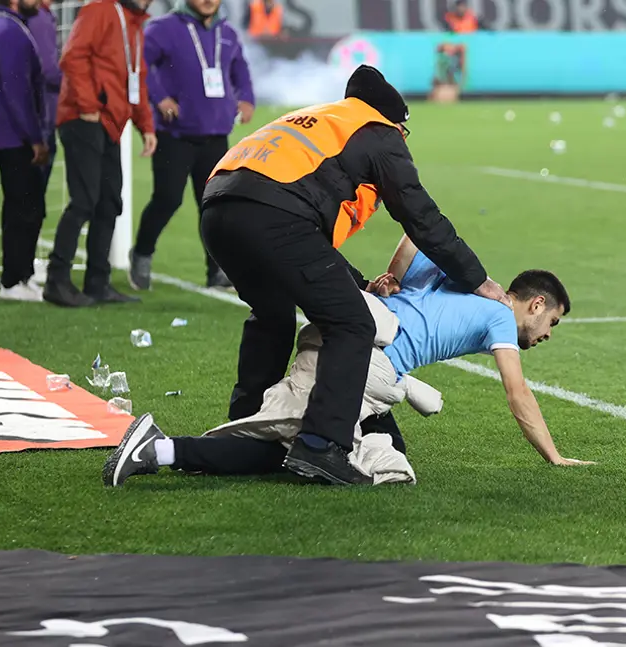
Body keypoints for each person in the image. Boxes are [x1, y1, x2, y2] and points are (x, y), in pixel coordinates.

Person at [198, 64, 509, 486]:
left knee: (271, 314)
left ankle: (250, 421)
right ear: (396, 122)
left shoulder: (323, 119)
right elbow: (420, 216)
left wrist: (359, 281)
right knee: (353, 324)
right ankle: (322, 445)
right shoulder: (379, 131)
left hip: (218, 209)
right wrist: (478, 279)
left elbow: (307, 238)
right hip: (273, 216)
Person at [103, 235, 594, 488]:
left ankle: (195, 451)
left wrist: (391, 278)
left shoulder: (468, 280)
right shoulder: (501, 318)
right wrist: (553, 455)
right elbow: (517, 393)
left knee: (391, 456)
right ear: (534, 305)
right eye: (552, 322)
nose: (547, 334)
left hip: (354, 338)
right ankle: (161, 450)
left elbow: (416, 239)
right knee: (293, 452)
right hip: (359, 361)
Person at [130, 0, 255, 291]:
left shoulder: (227, 32)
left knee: (213, 208)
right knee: (167, 199)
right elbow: (140, 65)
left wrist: (247, 98)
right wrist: (159, 97)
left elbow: (241, 68)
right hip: (175, 135)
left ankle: (217, 271)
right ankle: (141, 254)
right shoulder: (163, 29)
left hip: (215, 135)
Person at [45, 0, 157, 307]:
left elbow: (137, 79)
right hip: (84, 119)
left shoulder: (134, 25)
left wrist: (146, 126)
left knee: (109, 202)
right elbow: (73, 56)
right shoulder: (100, 10)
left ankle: (97, 283)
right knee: (84, 201)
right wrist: (88, 105)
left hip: (109, 123)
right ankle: (57, 280)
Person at [0, 0, 49, 302]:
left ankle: (21, 275)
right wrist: (35, 138)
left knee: (22, 207)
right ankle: (12, 281)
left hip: (2, 134)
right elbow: (17, 93)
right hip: (13, 137)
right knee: (26, 209)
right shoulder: (9, 31)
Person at [26, 0, 61, 189]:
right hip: (42, 112)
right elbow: (48, 70)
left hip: (33, 110)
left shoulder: (37, 15)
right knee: (33, 195)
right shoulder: (40, 17)